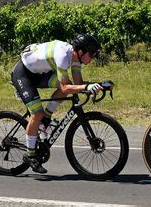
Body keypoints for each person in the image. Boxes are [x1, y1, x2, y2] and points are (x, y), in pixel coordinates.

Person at [11, 33, 103, 174]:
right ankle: (29, 155)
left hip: (39, 73)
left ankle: (46, 119)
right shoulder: (63, 56)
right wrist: (87, 88)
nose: (93, 58)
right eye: (91, 54)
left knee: (68, 86)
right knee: (37, 113)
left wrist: (99, 85)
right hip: (23, 74)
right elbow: (67, 87)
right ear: (80, 51)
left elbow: (78, 84)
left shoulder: (76, 59)